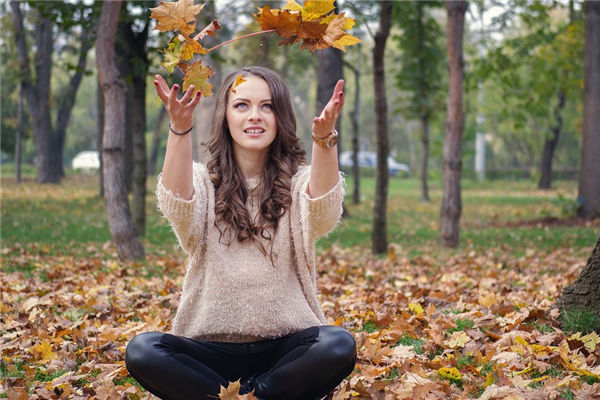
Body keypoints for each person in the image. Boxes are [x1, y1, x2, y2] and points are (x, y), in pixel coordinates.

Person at [125, 66, 356, 400]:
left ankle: (254, 395)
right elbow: (177, 202)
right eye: (242, 105)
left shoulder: (297, 183)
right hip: (209, 356)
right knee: (143, 350)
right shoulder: (203, 183)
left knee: (338, 344)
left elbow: (322, 210)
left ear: (281, 117)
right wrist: (179, 128)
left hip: (286, 353)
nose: (255, 116)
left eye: (267, 106)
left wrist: (324, 139)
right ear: (226, 116)